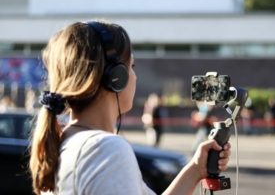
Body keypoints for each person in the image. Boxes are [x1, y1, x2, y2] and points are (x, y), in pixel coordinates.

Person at [29, 20, 231, 195]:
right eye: (131, 66)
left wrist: (195, 169)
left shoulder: (68, 140)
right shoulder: (105, 150)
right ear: (116, 77)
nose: (135, 76)